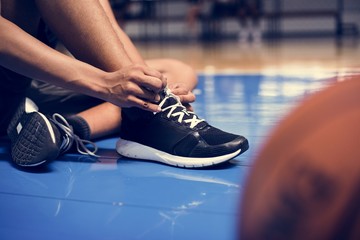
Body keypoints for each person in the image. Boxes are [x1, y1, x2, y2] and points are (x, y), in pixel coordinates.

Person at [0, 0, 249, 168]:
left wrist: (154, 90)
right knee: (127, 89)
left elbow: (111, 33)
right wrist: (104, 84)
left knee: (177, 71)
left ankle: (67, 129)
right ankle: (142, 121)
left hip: (24, 87)